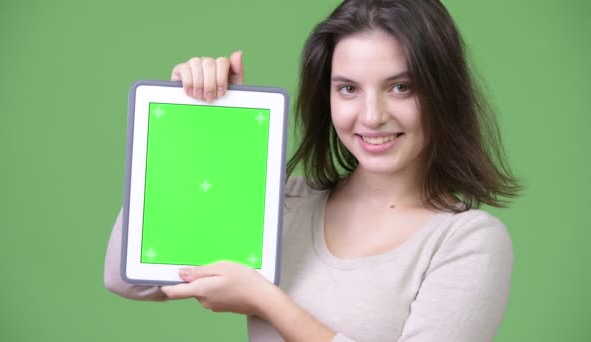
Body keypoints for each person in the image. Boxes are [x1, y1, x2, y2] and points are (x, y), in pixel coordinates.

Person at [104, 0, 521, 341]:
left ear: (442, 92)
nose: (371, 116)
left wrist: (268, 302)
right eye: (348, 89)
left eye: (401, 87)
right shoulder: (285, 203)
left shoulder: (467, 241)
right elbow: (127, 279)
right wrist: (194, 123)